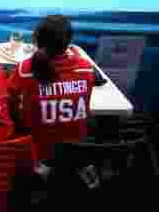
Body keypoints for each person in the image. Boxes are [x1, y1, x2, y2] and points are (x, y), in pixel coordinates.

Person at [9, 15, 95, 163]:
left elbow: (8, 101)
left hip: (37, 156)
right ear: (68, 42)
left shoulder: (25, 69)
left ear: (36, 39)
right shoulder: (86, 69)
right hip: (75, 155)